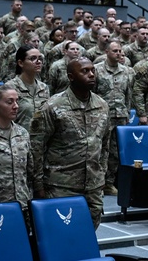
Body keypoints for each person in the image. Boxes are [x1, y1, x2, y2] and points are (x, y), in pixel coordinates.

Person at [31, 57, 111, 229]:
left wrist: (101, 172)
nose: (91, 74)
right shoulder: (52, 106)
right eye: (84, 71)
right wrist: (38, 186)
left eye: (92, 70)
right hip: (61, 185)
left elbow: (104, 144)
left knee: (90, 229)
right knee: (62, 231)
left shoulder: (102, 105)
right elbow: (37, 149)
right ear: (70, 76)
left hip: (93, 184)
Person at [95, 40, 134, 194]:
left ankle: (109, 183)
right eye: (115, 51)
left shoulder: (127, 71)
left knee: (115, 152)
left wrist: (127, 113)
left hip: (120, 116)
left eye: (120, 51)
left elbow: (128, 95)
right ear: (107, 52)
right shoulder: (97, 70)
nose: (118, 53)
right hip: (101, 117)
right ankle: (98, 183)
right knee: (99, 151)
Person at [4, 45, 50, 131]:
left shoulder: (44, 87)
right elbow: (4, 119)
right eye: (33, 58)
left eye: (40, 58)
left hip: (41, 140)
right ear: (21, 63)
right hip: (19, 139)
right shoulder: (9, 88)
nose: (38, 61)